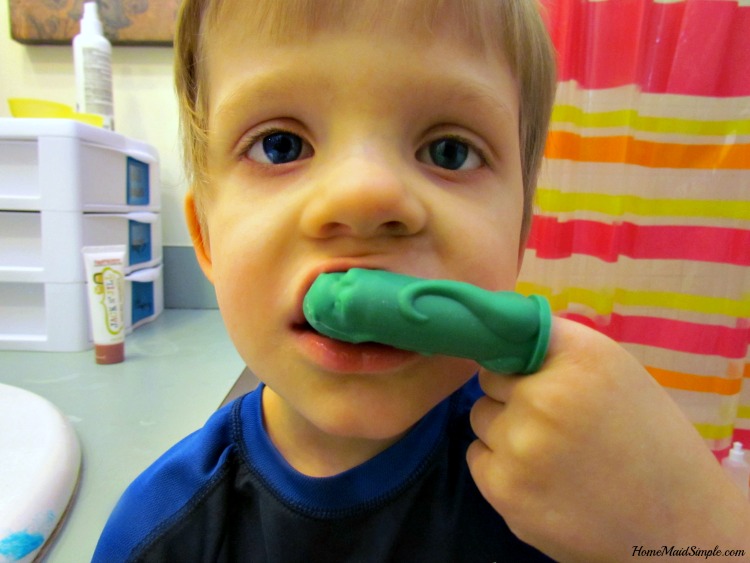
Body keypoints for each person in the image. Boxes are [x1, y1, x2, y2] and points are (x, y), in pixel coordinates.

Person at [93, 1, 750, 561]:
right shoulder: (157, 536)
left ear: (520, 236)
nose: (366, 195)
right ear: (205, 239)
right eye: (281, 145)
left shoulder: (586, 504)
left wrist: (688, 528)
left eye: (449, 151)